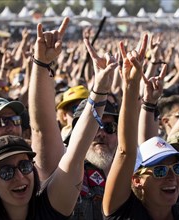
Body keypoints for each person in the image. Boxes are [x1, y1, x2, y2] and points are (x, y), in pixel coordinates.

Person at [102, 33, 179, 220]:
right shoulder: (123, 212)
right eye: (160, 170)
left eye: (177, 169)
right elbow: (125, 152)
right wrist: (131, 85)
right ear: (137, 180)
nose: (172, 177)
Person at [28, 16, 118, 220]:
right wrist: (41, 63)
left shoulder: (132, 170)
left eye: (109, 128)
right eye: (94, 127)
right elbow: (41, 129)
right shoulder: (61, 167)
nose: (101, 133)